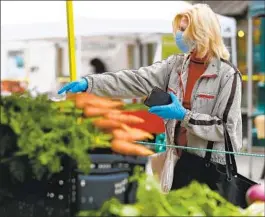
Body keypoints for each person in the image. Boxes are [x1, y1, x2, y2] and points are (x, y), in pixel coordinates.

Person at [58, 4, 242, 191]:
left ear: (203, 31)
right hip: (177, 162)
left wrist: (184, 116)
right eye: (179, 28)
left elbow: (226, 129)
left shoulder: (227, 75)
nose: (179, 34)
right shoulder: (176, 65)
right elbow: (135, 80)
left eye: (185, 29)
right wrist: (91, 83)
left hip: (210, 169)